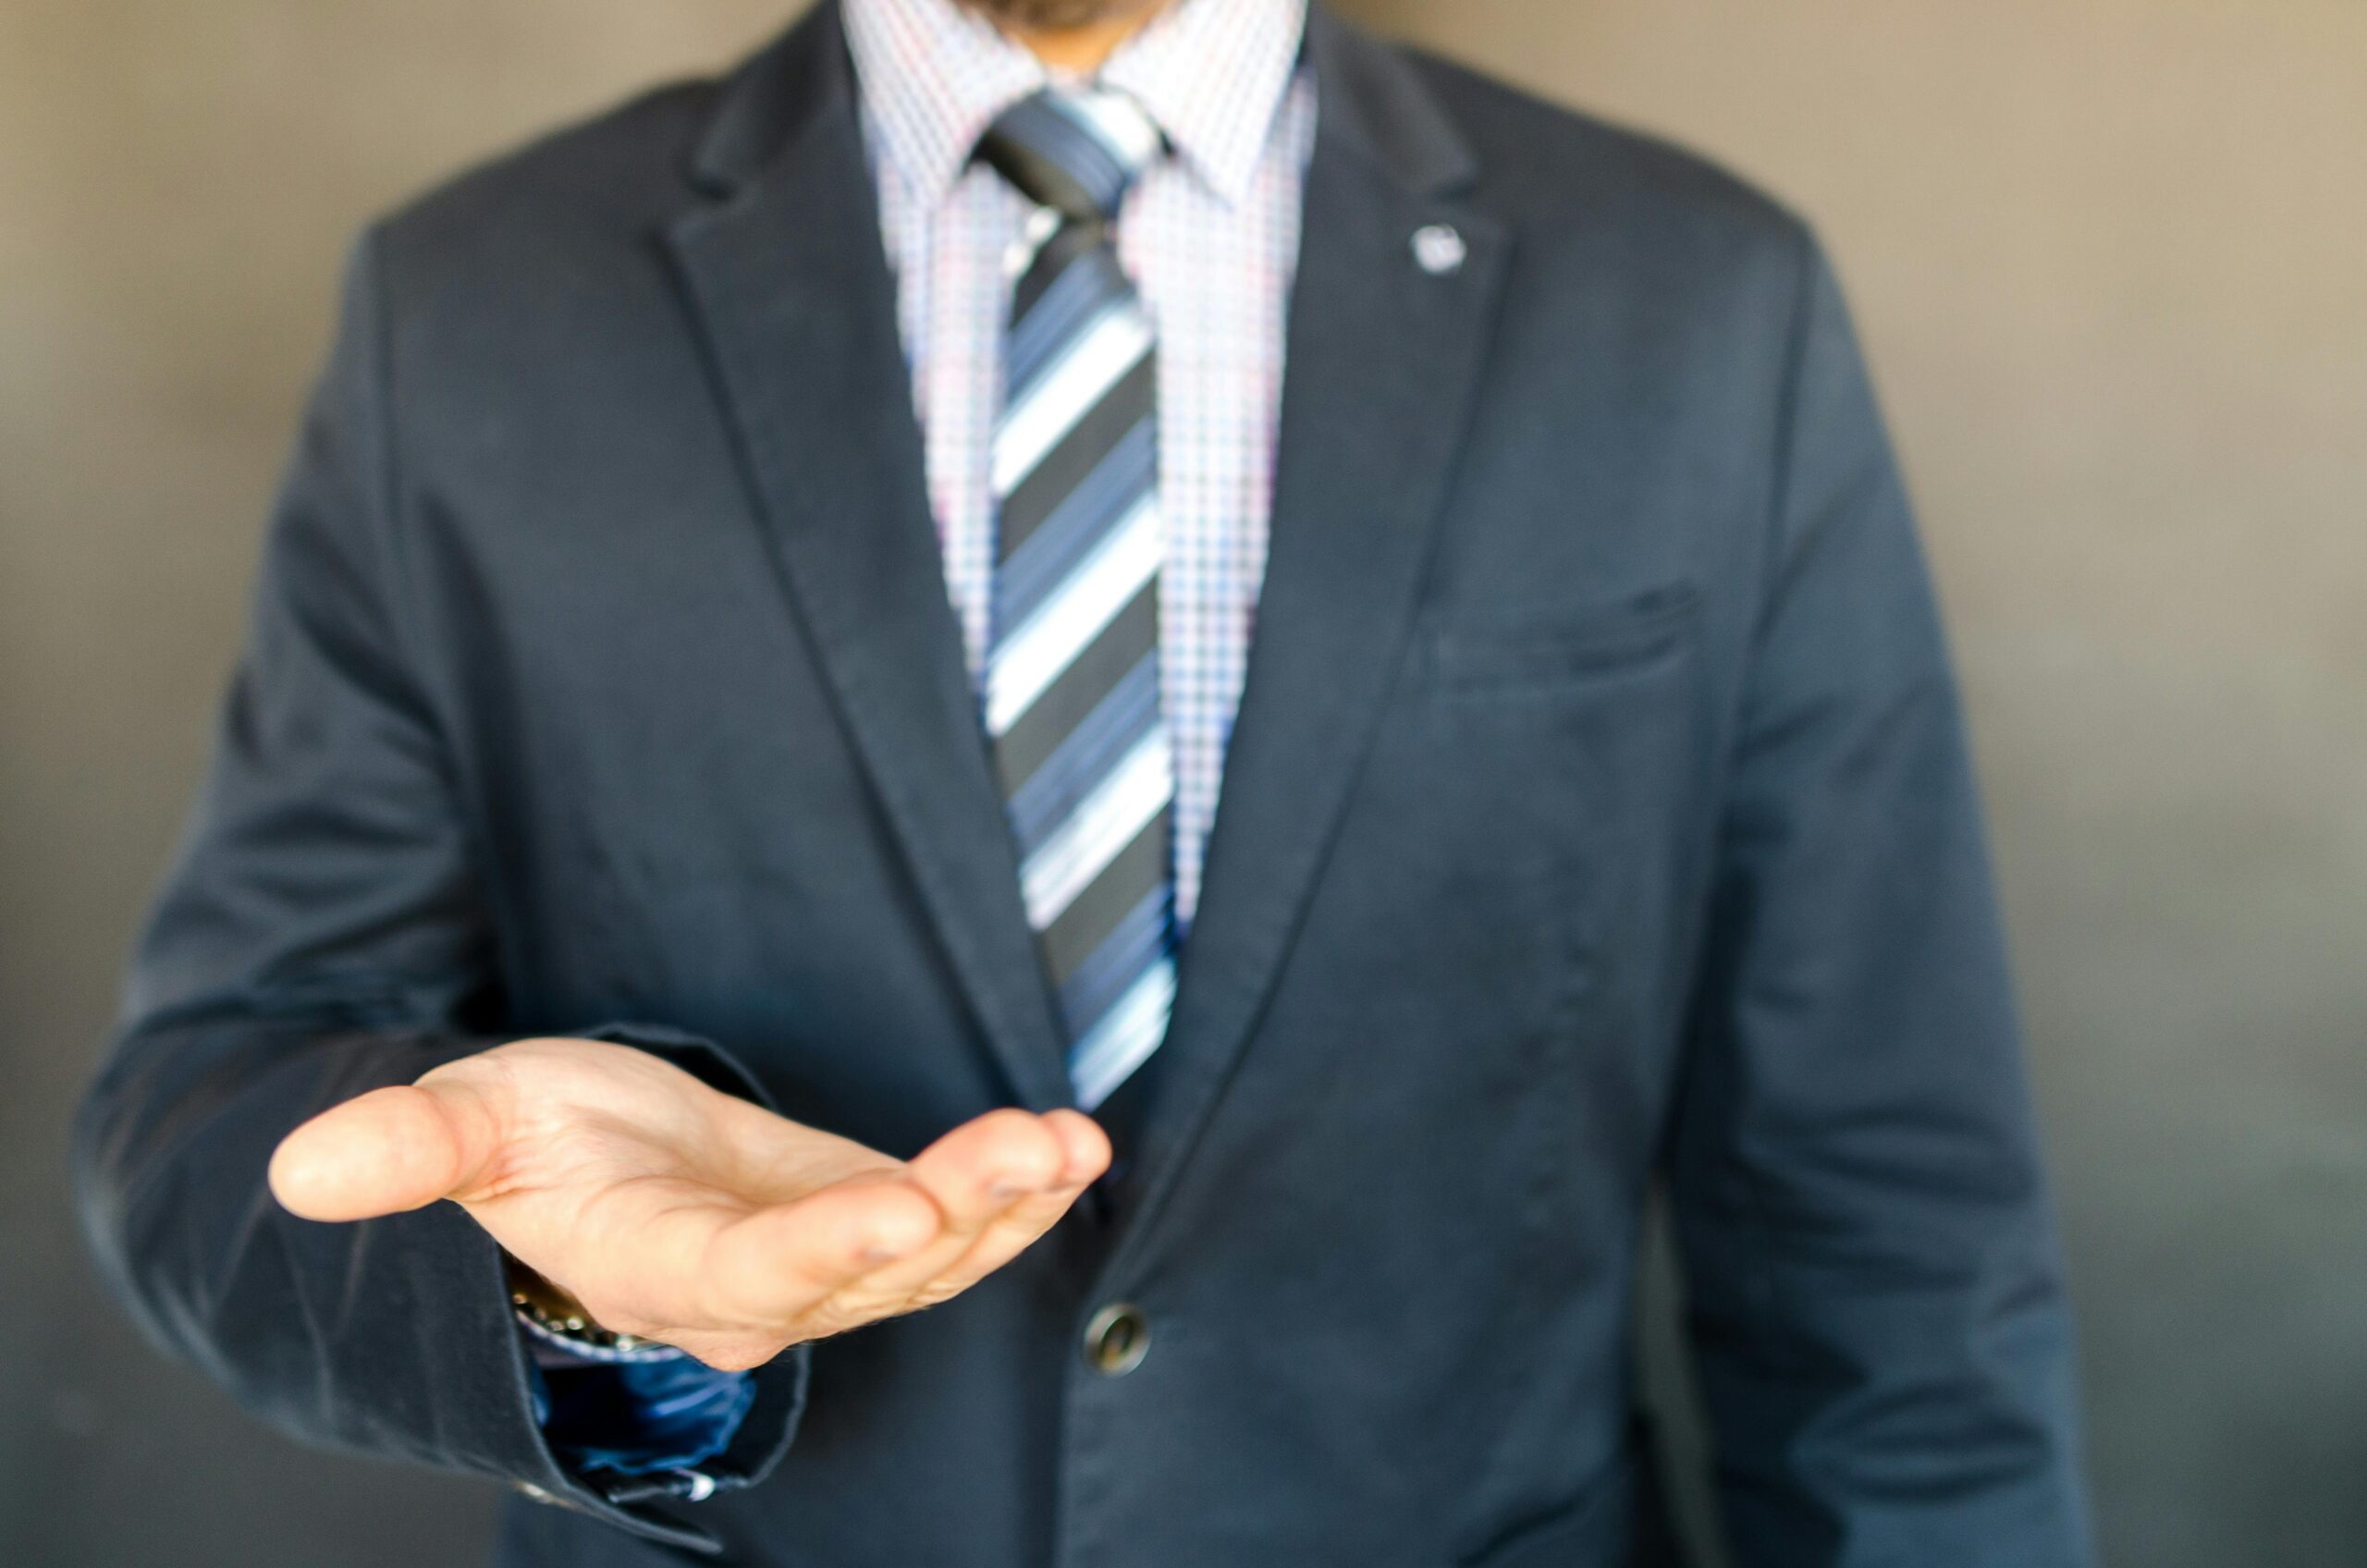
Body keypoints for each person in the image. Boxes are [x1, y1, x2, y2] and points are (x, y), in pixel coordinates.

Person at [71, 0, 2094, 1562]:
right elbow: (206, 1102)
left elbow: (1880, 1223)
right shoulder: (471, 308)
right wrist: (540, 1278)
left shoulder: (1698, 306)